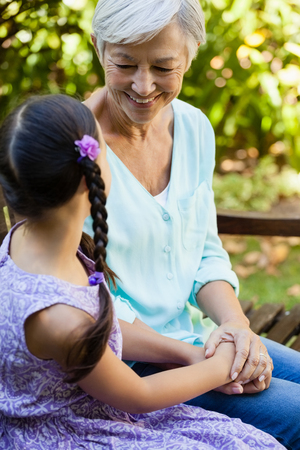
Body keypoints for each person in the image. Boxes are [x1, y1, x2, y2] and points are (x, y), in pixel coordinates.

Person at [0, 94, 286, 449]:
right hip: (76, 427)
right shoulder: (61, 320)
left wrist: (190, 354)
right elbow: (137, 394)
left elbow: (99, 327)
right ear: (94, 175)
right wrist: (219, 365)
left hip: (98, 400)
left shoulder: (27, 242)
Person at [82, 1, 300, 448]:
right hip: (127, 369)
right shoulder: (75, 148)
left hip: (196, 339)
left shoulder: (195, 128)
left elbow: (204, 252)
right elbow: (79, 302)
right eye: (124, 64)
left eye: (164, 66)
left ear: (191, 55)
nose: (143, 86)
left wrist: (236, 328)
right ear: (98, 47)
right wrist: (203, 360)